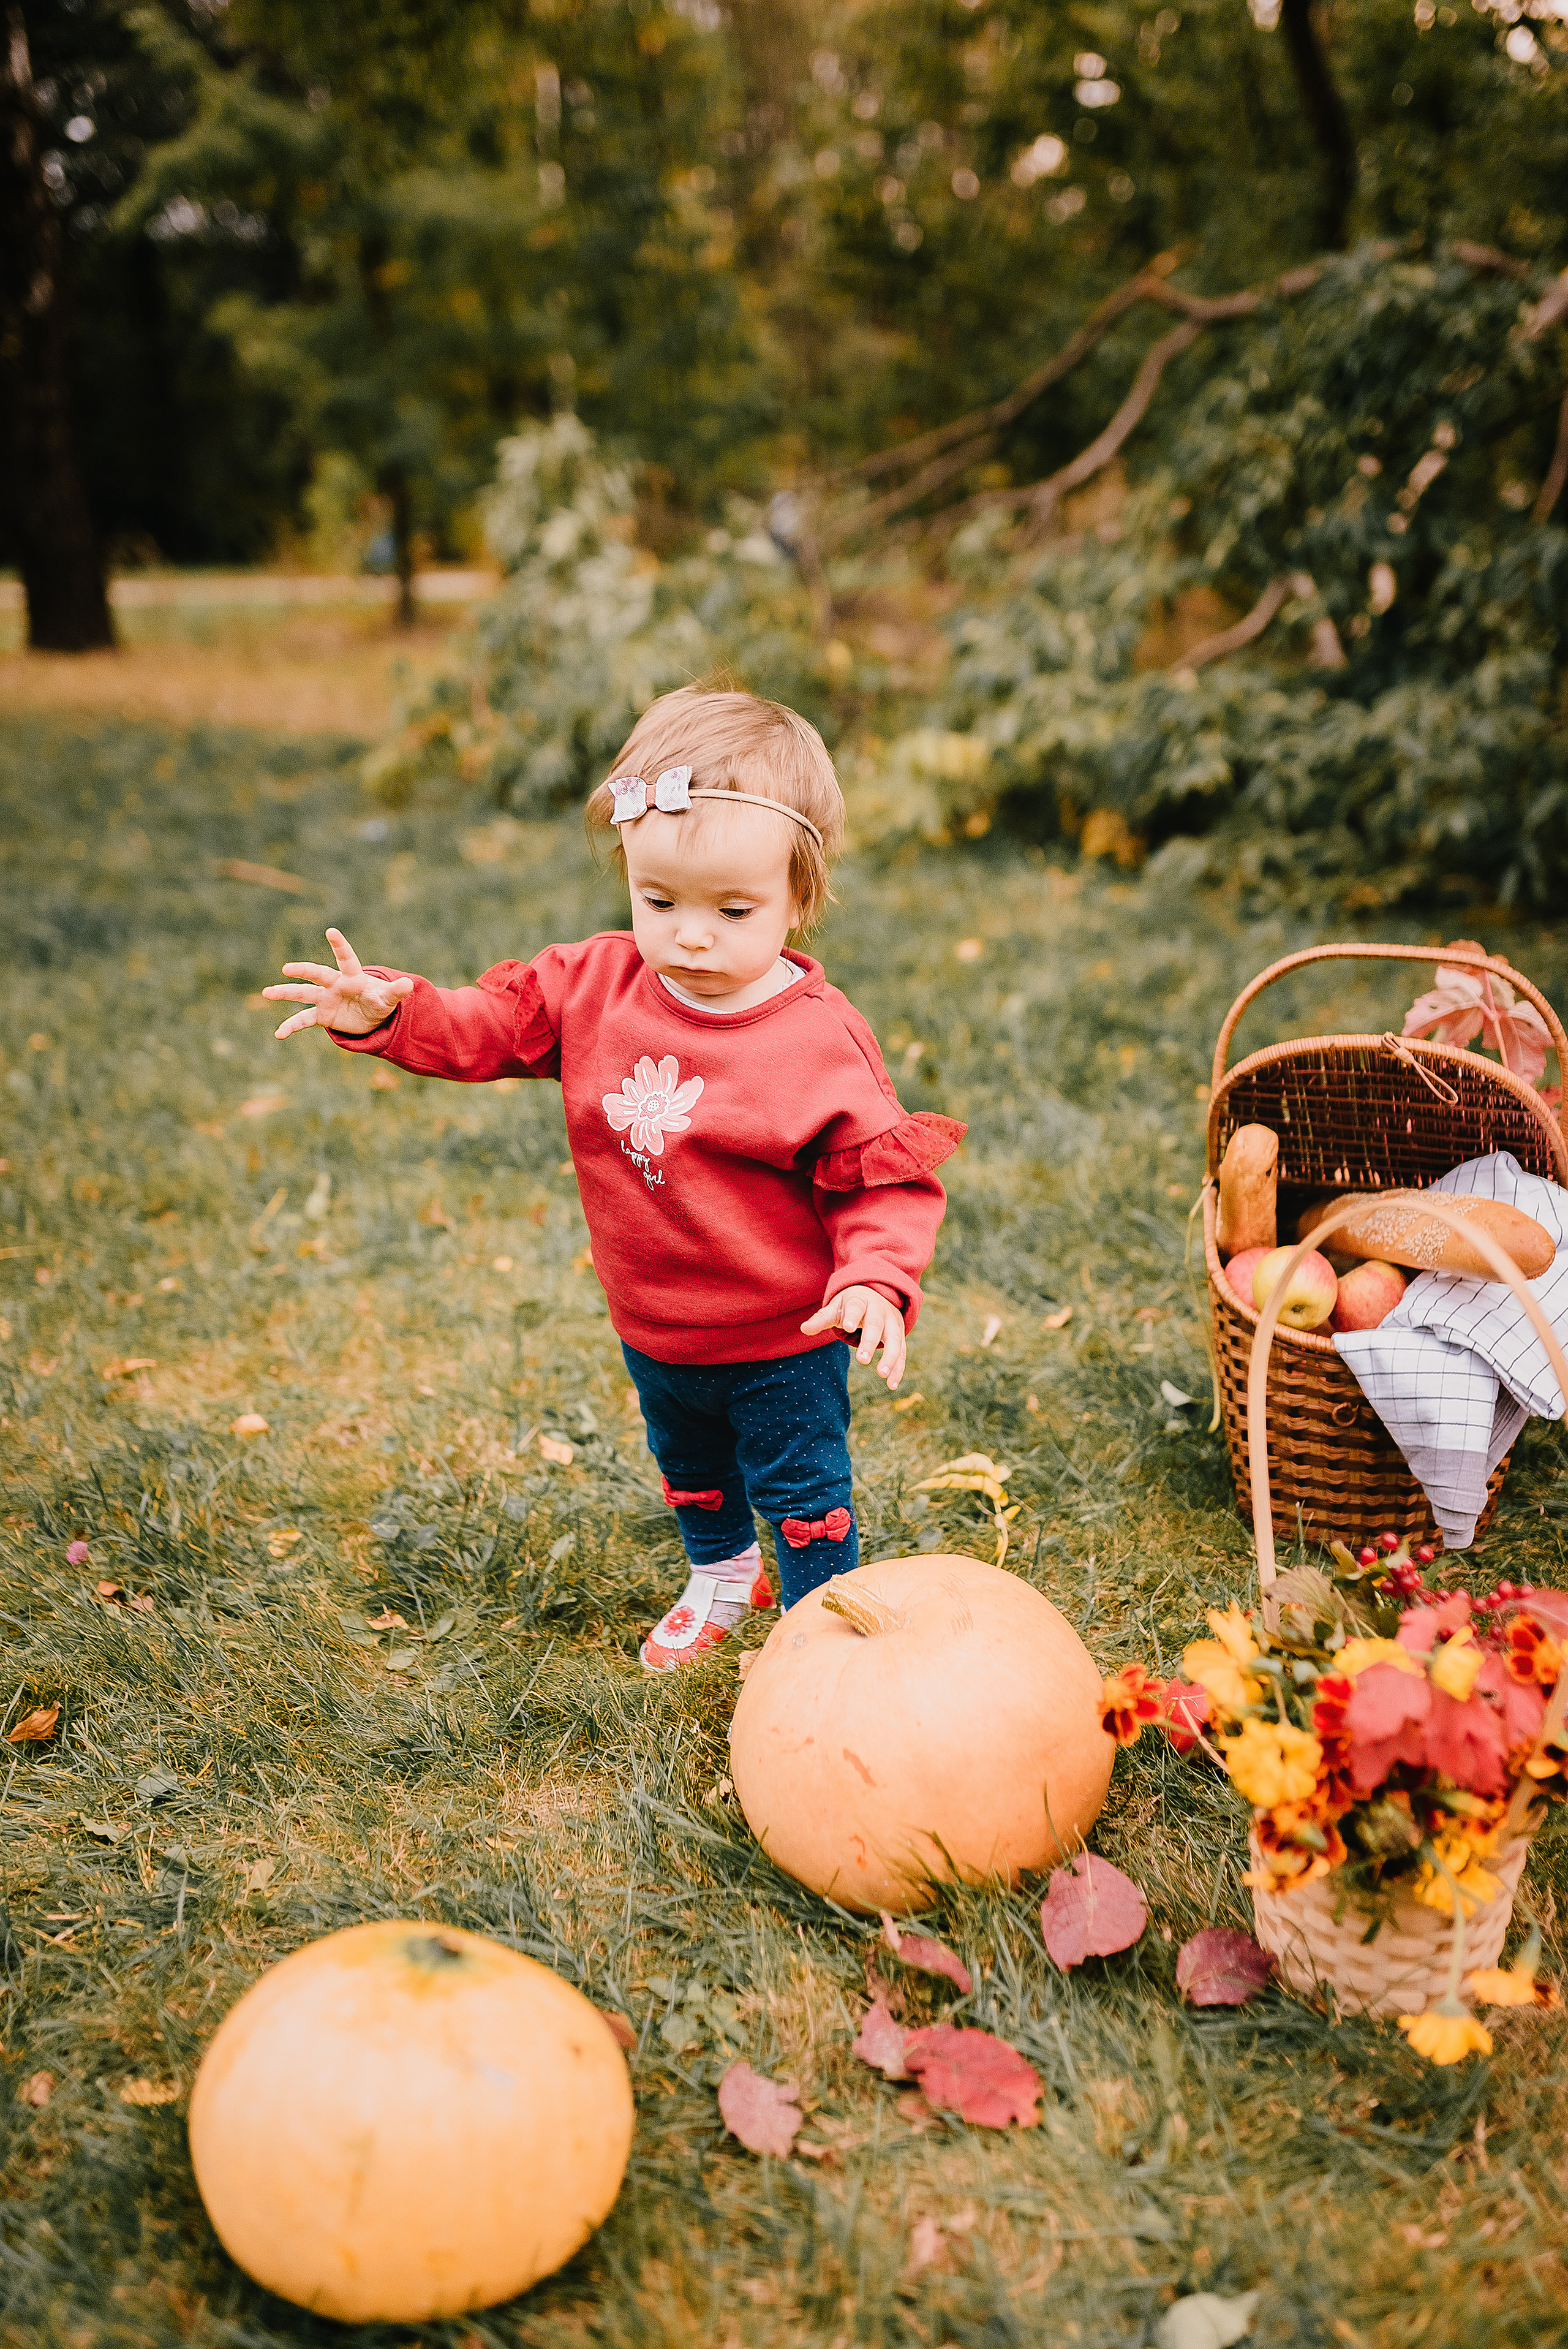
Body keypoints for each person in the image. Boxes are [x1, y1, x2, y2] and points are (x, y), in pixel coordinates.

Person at [262, 686, 963, 1670]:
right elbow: (487, 1026)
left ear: (798, 897)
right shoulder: (593, 987)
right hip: (657, 1322)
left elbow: (875, 1180)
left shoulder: (816, 1041)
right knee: (693, 1470)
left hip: (783, 1337)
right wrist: (390, 1013)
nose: (691, 935)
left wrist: (873, 1278)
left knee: (803, 1490)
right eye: (658, 901)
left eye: (733, 909)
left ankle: (817, 1635)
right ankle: (721, 1574)